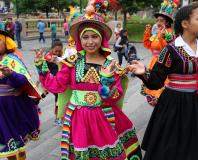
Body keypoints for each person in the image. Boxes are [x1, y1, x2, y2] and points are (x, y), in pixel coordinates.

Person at [34, 2, 142, 159]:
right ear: (79, 39)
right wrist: (41, 67)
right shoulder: (72, 61)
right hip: (77, 118)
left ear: (102, 38)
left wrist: (105, 82)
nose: (90, 42)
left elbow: (115, 96)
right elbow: (57, 85)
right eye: (85, 37)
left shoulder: (110, 64)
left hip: (103, 117)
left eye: (94, 37)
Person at [127, 4, 198, 160]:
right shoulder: (170, 50)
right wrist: (144, 73)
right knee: (172, 149)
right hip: (175, 107)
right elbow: (156, 82)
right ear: (185, 24)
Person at [0, 29, 41, 160]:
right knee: (5, 140)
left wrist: (11, 74)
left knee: (17, 140)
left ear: (7, 43)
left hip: (13, 107)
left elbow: (24, 80)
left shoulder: (12, 59)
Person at [142, 0, 176, 106]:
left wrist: (162, 37)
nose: (158, 23)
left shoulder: (169, 34)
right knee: (152, 94)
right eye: (158, 20)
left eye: (161, 20)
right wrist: (147, 33)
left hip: (163, 63)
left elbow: (167, 48)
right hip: (153, 62)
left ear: (167, 22)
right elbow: (148, 45)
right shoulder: (158, 32)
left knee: (160, 94)